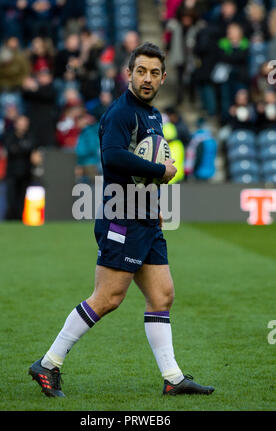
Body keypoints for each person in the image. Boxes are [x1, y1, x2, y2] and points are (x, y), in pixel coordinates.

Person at [28, 42, 215, 398]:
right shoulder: (121, 113)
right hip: (121, 217)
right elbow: (113, 158)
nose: (147, 78)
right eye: (141, 71)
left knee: (162, 295)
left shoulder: (153, 115)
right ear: (128, 74)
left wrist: (154, 200)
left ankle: (173, 378)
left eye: (154, 73)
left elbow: (139, 171)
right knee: (109, 297)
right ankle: (48, 364)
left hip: (144, 216)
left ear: (163, 78)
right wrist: (161, 171)